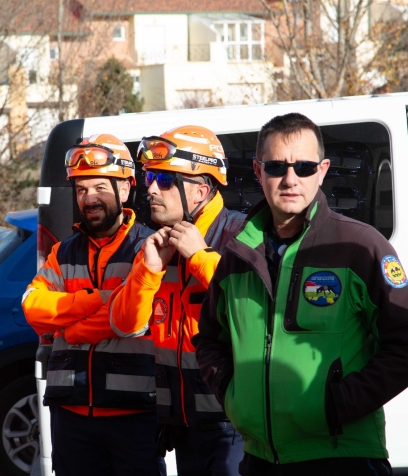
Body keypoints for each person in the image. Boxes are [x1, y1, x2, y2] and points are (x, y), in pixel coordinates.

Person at [194, 113, 408, 476]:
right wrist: (234, 399)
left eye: (303, 167)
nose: (290, 179)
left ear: (322, 170)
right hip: (260, 460)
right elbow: (210, 339)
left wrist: (335, 406)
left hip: (343, 457)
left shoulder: (360, 246)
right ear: (258, 171)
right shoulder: (237, 256)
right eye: (276, 167)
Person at [109, 125, 246, 475]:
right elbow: (124, 324)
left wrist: (200, 257)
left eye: (166, 180)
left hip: (235, 426)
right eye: (151, 176)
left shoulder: (242, 235)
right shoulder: (158, 245)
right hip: (183, 425)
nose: (151, 188)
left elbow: (257, 308)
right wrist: (150, 270)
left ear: (201, 189)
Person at [22, 134, 161, 476]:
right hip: (70, 413)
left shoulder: (151, 248)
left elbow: (133, 322)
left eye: (99, 187)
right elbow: (33, 308)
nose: (89, 198)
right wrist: (97, 299)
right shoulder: (63, 251)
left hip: (134, 415)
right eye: (82, 190)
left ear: (126, 189)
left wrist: (71, 328)